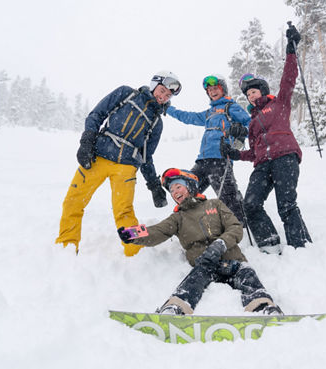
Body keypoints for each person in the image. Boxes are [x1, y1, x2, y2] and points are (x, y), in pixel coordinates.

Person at [117, 168, 283, 315]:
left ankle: (262, 307)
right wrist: (132, 234)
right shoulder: (178, 218)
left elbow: (235, 227)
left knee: (248, 275)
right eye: (171, 190)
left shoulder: (215, 204)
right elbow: (157, 231)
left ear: (189, 185)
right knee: (192, 281)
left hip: (233, 261)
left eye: (178, 186)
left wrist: (220, 244)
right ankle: (175, 309)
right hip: (204, 266)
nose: (174, 192)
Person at [56, 71, 182, 257]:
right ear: (154, 85)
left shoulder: (157, 122)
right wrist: (87, 141)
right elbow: (97, 114)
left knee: (125, 212)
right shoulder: (126, 94)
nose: (163, 97)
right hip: (97, 157)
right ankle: (66, 247)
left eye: (167, 95)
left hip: (126, 167)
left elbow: (146, 156)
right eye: (161, 91)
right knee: (73, 202)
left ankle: (136, 252)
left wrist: (154, 186)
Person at [220, 25, 312, 254]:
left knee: (286, 205)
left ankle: (300, 248)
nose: (251, 96)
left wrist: (291, 49)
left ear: (262, 90)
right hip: (262, 164)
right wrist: (236, 155)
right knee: (250, 204)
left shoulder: (279, 104)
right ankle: (270, 244)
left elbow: (288, 79)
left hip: (285, 158)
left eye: (254, 91)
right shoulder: (252, 122)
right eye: (247, 94)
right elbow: (254, 152)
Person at [165, 74, 250, 224]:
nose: (212, 91)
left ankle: (240, 226)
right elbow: (188, 117)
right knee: (188, 192)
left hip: (220, 159)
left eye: (215, 88)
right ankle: (189, 226)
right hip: (202, 161)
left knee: (228, 197)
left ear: (223, 89)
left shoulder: (231, 107)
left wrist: (242, 131)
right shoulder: (209, 113)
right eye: (209, 90)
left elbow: (251, 125)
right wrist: (168, 109)